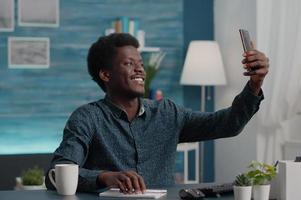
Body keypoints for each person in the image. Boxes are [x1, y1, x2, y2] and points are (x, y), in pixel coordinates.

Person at [45, 33, 269, 193]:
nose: (140, 69)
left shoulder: (167, 112)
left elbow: (228, 124)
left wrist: (255, 85)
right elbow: (56, 173)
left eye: (140, 63)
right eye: (128, 63)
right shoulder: (87, 118)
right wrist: (105, 177)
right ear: (105, 74)